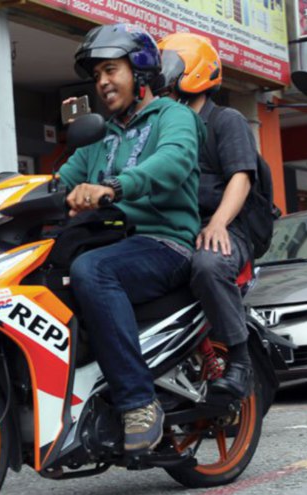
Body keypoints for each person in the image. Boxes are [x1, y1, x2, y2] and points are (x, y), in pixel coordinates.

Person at [58, 23, 204, 455]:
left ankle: (139, 402)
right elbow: (59, 180)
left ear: (139, 71)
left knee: (92, 270)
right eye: (97, 74)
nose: (102, 82)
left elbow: (173, 162)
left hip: (164, 243)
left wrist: (115, 187)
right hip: (112, 243)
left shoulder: (174, 117)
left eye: (111, 70)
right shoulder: (100, 138)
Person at [155, 33, 259, 398]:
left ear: (194, 73)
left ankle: (242, 361)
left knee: (209, 264)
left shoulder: (225, 121)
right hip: (176, 229)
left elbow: (241, 178)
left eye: (168, 68)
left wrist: (218, 223)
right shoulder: (164, 126)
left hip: (227, 228)